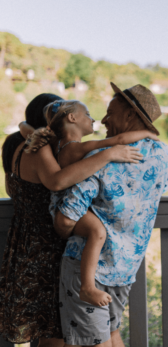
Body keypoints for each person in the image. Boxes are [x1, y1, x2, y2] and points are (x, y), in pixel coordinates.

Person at [0, 93, 143, 347]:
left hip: (24, 245)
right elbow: (58, 181)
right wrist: (109, 155)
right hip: (49, 249)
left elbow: (15, 190)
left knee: (48, 332)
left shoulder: (18, 146)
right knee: (57, 335)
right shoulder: (41, 149)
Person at [51, 83, 168, 347]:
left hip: (88, 269)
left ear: (130, 115)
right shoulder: (164, 155)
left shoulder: (102, 157)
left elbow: (65, 219)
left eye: (110, 112)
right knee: (112, 335)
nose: (103, 119)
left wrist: (69, 228)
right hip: (126, 267)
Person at [21, 99, 159, 308]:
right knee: (98, 231)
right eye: (86, 113)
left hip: (61, 205)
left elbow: (26, 129)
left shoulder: (56, 145)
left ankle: (87, 286)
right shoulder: (77, 148)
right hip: (65, 206)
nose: (93, 118)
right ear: (72, 118)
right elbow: (119, 139)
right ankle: (87, 286)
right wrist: (148, 134)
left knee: (97, 230)